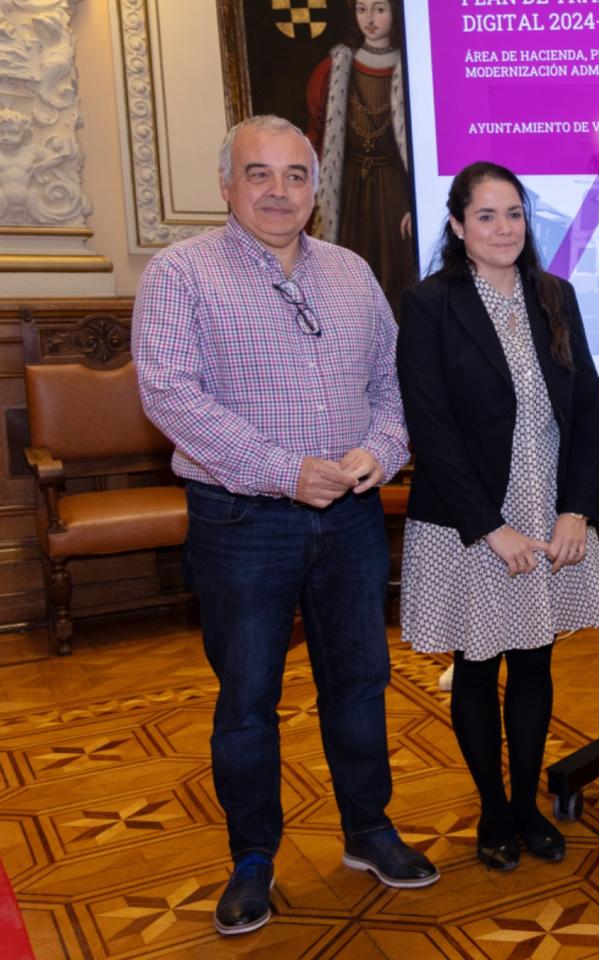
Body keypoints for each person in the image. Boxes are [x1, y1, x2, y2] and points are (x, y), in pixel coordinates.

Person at [133, 115, 439, 937]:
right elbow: (168, 394)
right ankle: (252, 861)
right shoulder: (180, 273)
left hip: (349, 516)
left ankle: (368, 832)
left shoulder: (351, 271)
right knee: (247, 699)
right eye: (258, 174)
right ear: (226, 186)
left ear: (316, 187)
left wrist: (382, 448)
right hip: (240, 518)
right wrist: (281, 469)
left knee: (361, 681)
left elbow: (395, 380)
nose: (279, 192)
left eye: (296, 176)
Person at [396, 161, 599, 871]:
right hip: (470, 521)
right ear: (458, 226)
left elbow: (584, 410)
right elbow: (430, 427)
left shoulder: (556, 296)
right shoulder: (430, 304)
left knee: (535, 660)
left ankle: (526, 805)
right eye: (486, 215)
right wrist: (492, 528)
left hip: (548, 509)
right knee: (478, 662)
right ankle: (493, 808)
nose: (503, 228)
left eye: (514, 213)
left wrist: (576, 508)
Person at [307, 0, 415, 315]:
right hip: (350, 188)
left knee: (397, 276)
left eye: (379, 9)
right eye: (361, 9)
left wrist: (415, 203)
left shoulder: (412, 67)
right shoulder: (334, 69)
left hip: (395, 192)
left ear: (394, 14)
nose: (369, 19)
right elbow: (315, 134)